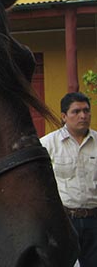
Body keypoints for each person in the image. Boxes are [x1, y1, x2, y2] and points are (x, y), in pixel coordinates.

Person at [40, 92, 97, 267]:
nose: (83, 116)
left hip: (94, 219)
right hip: (64, 219)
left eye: (86, 111)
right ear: (64, 116)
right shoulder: (48, 144)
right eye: (76, 111)